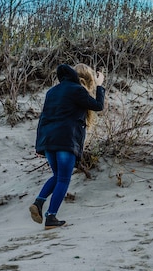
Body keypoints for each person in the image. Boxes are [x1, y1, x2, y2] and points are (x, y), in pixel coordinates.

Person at [29, 63, 105, 229]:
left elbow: (44, 118)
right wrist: (100, 86)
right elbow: (98, 106)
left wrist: (40, 146)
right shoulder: (77, 91)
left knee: (57, 176)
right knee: (64, 178)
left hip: (49, 141)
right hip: (66, 140)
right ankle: (51, 217)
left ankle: (39, 203)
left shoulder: (52, 92)